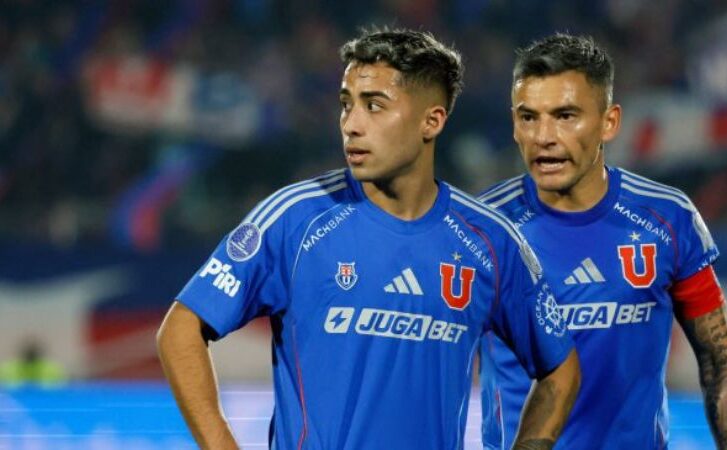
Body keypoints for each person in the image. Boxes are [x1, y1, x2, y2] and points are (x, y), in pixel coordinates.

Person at [157, 28, 580, 450]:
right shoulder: (296, 220)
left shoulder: (490, 241)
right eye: (347, 104)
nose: (351, 125)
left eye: (374, 106)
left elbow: (560, 369)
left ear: (432, 121)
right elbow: (181, 329)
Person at [478, 33, 727, 449]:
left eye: (565, 116)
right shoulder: (481, 228)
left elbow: (720, 361)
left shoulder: (668, 219)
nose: (543, 136)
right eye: (528, 117)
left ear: (609, 122)